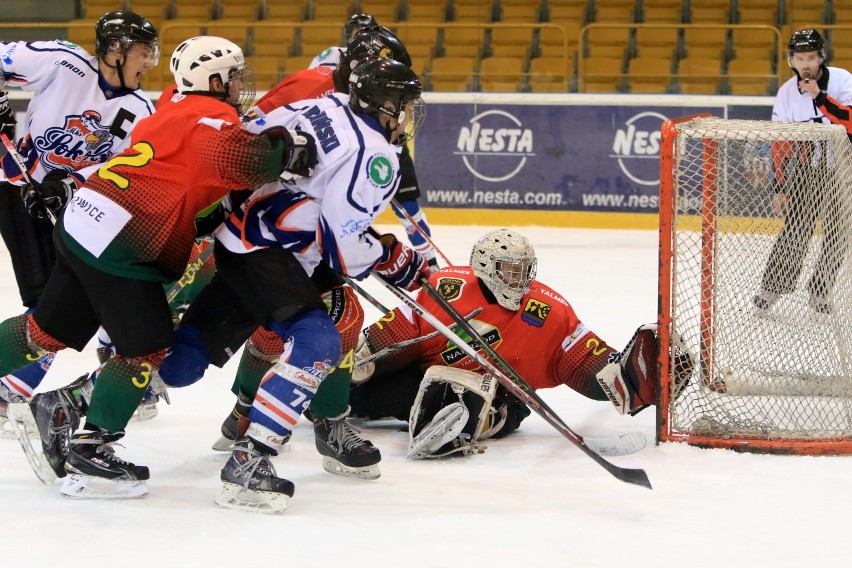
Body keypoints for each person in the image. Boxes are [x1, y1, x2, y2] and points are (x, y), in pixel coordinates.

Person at [0, 35, 311, 499]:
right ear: (212, 78)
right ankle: (92, 449)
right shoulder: (213, 118)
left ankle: (74, 418)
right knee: (146, 346)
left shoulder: (169, 105)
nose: (238, 84)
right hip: (121, 244)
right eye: (232, 75)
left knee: (45, 331)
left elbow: (186, 175)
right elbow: (241, 159)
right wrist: (286, 149)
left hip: (83, 220)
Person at [152, 57, 429, 513]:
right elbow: (343, 248)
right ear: (381, 103)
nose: (405, 116)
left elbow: (250, 137)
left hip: (240, 241)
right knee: (320, 339)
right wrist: (391, 257)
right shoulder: (375, 154)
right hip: (272, 253)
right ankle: (252, 458)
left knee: (185, 361)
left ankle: (75, 401)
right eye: (402, 105)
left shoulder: (324, 104)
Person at [209, 26, 416, 482]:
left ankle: (318, 419)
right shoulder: (315, 88)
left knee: (336, 317)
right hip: (251, 231)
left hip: (280, 237)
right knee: (210, 333)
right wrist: (378, 252)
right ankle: (252, 412)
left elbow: (343, 191)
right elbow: (239, 144)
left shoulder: (344, 102)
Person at [348, 229, 661, 458]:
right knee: (354, 396)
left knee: (486, 403)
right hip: (428, 376)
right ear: (485, 267)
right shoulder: (446, 286)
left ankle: (486, 417)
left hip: (504, 396)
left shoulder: (548, 309)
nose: (520, 280)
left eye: (525, 271)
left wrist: (625, 375)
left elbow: (582, 359)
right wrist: (367, 354)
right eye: (510, 271)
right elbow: (404, 329)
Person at [0, 10, 160, 427]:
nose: (149, 62)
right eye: (144, 52)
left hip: (70, 209)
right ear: (115, 50)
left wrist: (73, 182)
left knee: (61, 308)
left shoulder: (142, 110)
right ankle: (8, 390)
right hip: (18, 190)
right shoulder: (62, 61)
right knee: (47, 305)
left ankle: (10, 388)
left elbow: (125, 169)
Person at [752, 29, 852, 315]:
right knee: (796, 229)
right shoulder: (786, 92)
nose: (806, 64)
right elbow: (780, 144)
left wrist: (819, 97)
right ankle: (772, 287)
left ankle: (821, 289)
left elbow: (850, 121)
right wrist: (780, 188)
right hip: (809, 168)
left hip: (846, 167)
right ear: (791, 60)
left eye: (811, 57)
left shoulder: (844, 80)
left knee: (839, 232)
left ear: (821, 57)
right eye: (800, 58)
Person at [308, 13, 377, 69]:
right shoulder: (333, 54)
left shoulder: (381, 60)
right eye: (357, 37)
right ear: (349, 38)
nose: (362, 43)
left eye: (366, 38)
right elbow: (310, 78)